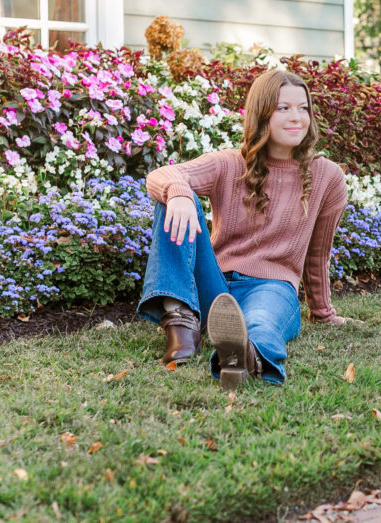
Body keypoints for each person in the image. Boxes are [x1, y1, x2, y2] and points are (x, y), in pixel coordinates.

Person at [136, 68, 351, 390]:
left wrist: (322, 311)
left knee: (261, 322)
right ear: (261, 114)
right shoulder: (229, 163)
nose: (297, 117)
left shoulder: (327, 176)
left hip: (272, 287)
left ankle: (243, 356)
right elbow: (163, 175)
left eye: (303, 108)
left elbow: (318, 254)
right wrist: (179, 194)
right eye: (283, 108)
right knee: (173, 195)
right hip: (215, 285)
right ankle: (179, 317)